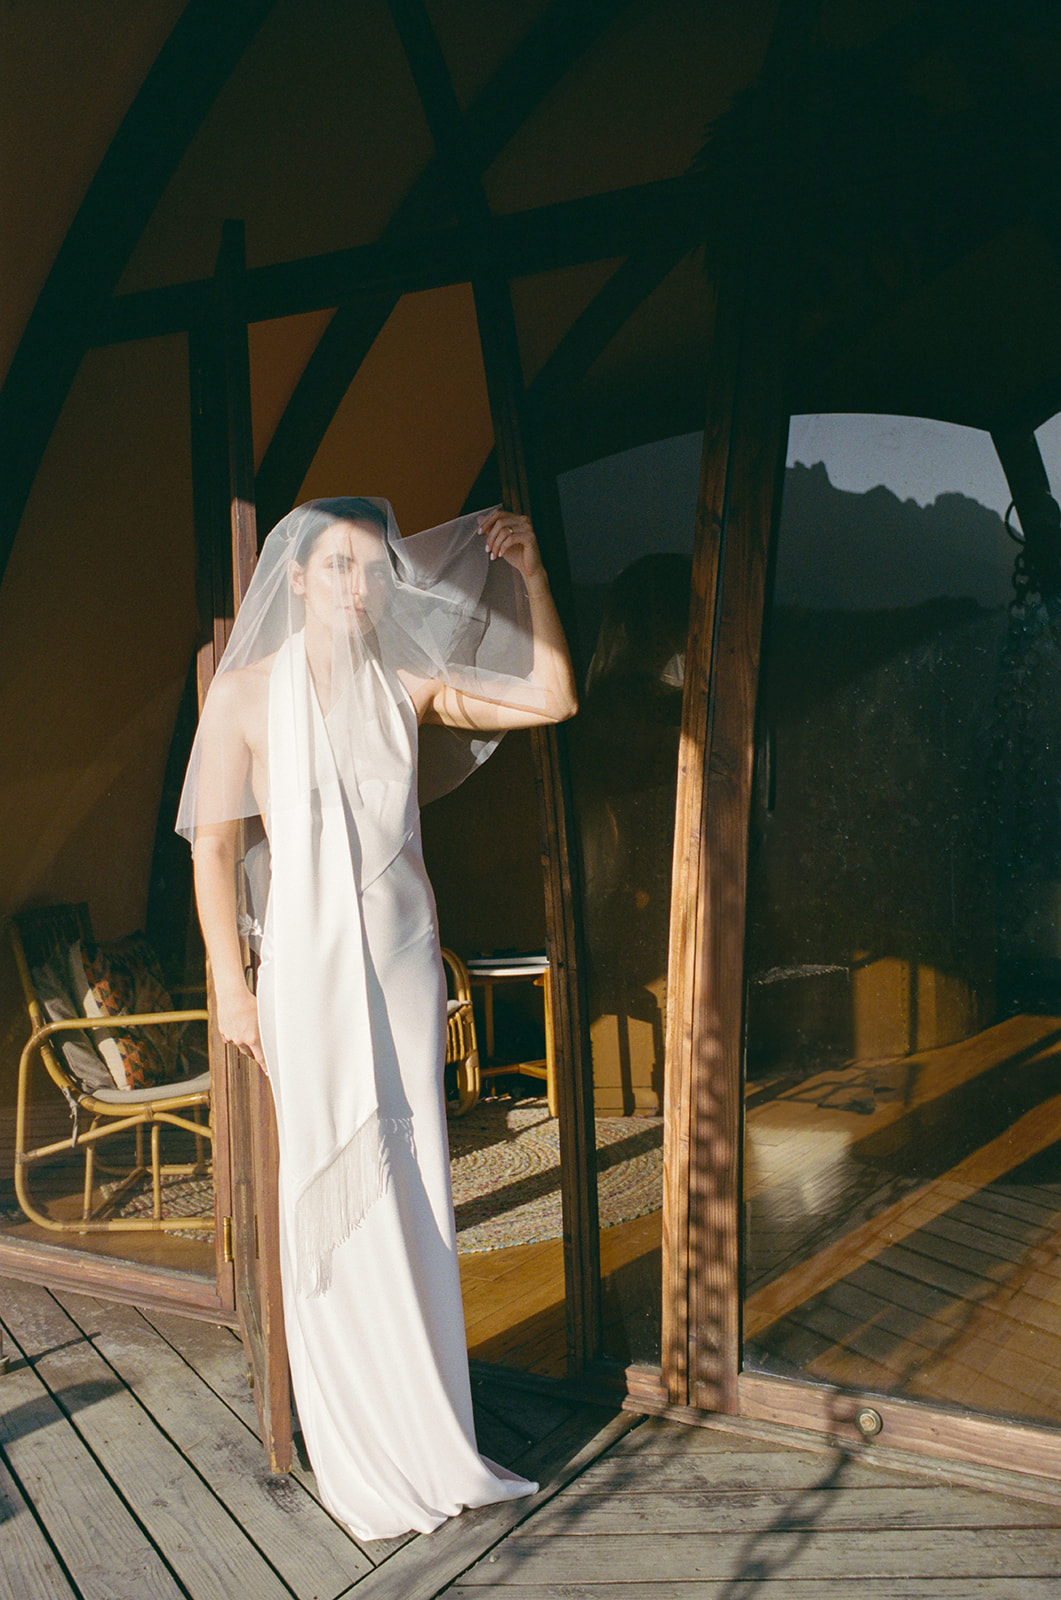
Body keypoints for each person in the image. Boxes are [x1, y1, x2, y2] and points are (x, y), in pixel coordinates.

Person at [176, 497, 577, 1541]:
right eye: (337, 568)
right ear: (295, 579)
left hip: (402, 969)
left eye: (370, 569)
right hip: (304, 973)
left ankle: (430, 1431)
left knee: (412, 1195)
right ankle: (356, 1443)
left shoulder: (402, 683)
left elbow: (551, 696)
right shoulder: (246, 696)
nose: (357, 586)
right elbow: (212, 851)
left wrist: (529, 577)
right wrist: (232, 984)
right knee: (328, 1187)